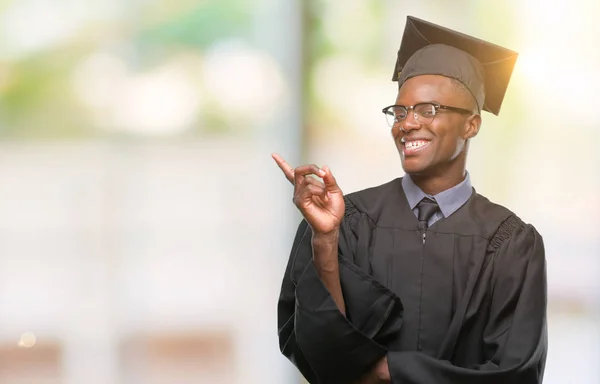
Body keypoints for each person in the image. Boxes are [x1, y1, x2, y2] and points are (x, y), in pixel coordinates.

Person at [272, 16, 547, 384]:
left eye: (428, 109)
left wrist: (388, 371)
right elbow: (311, 349)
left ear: (471, 124)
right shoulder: (347, 221)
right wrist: (325, 241)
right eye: (400, 112)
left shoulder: (511, 242)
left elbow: (516, 373)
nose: (407, 123)